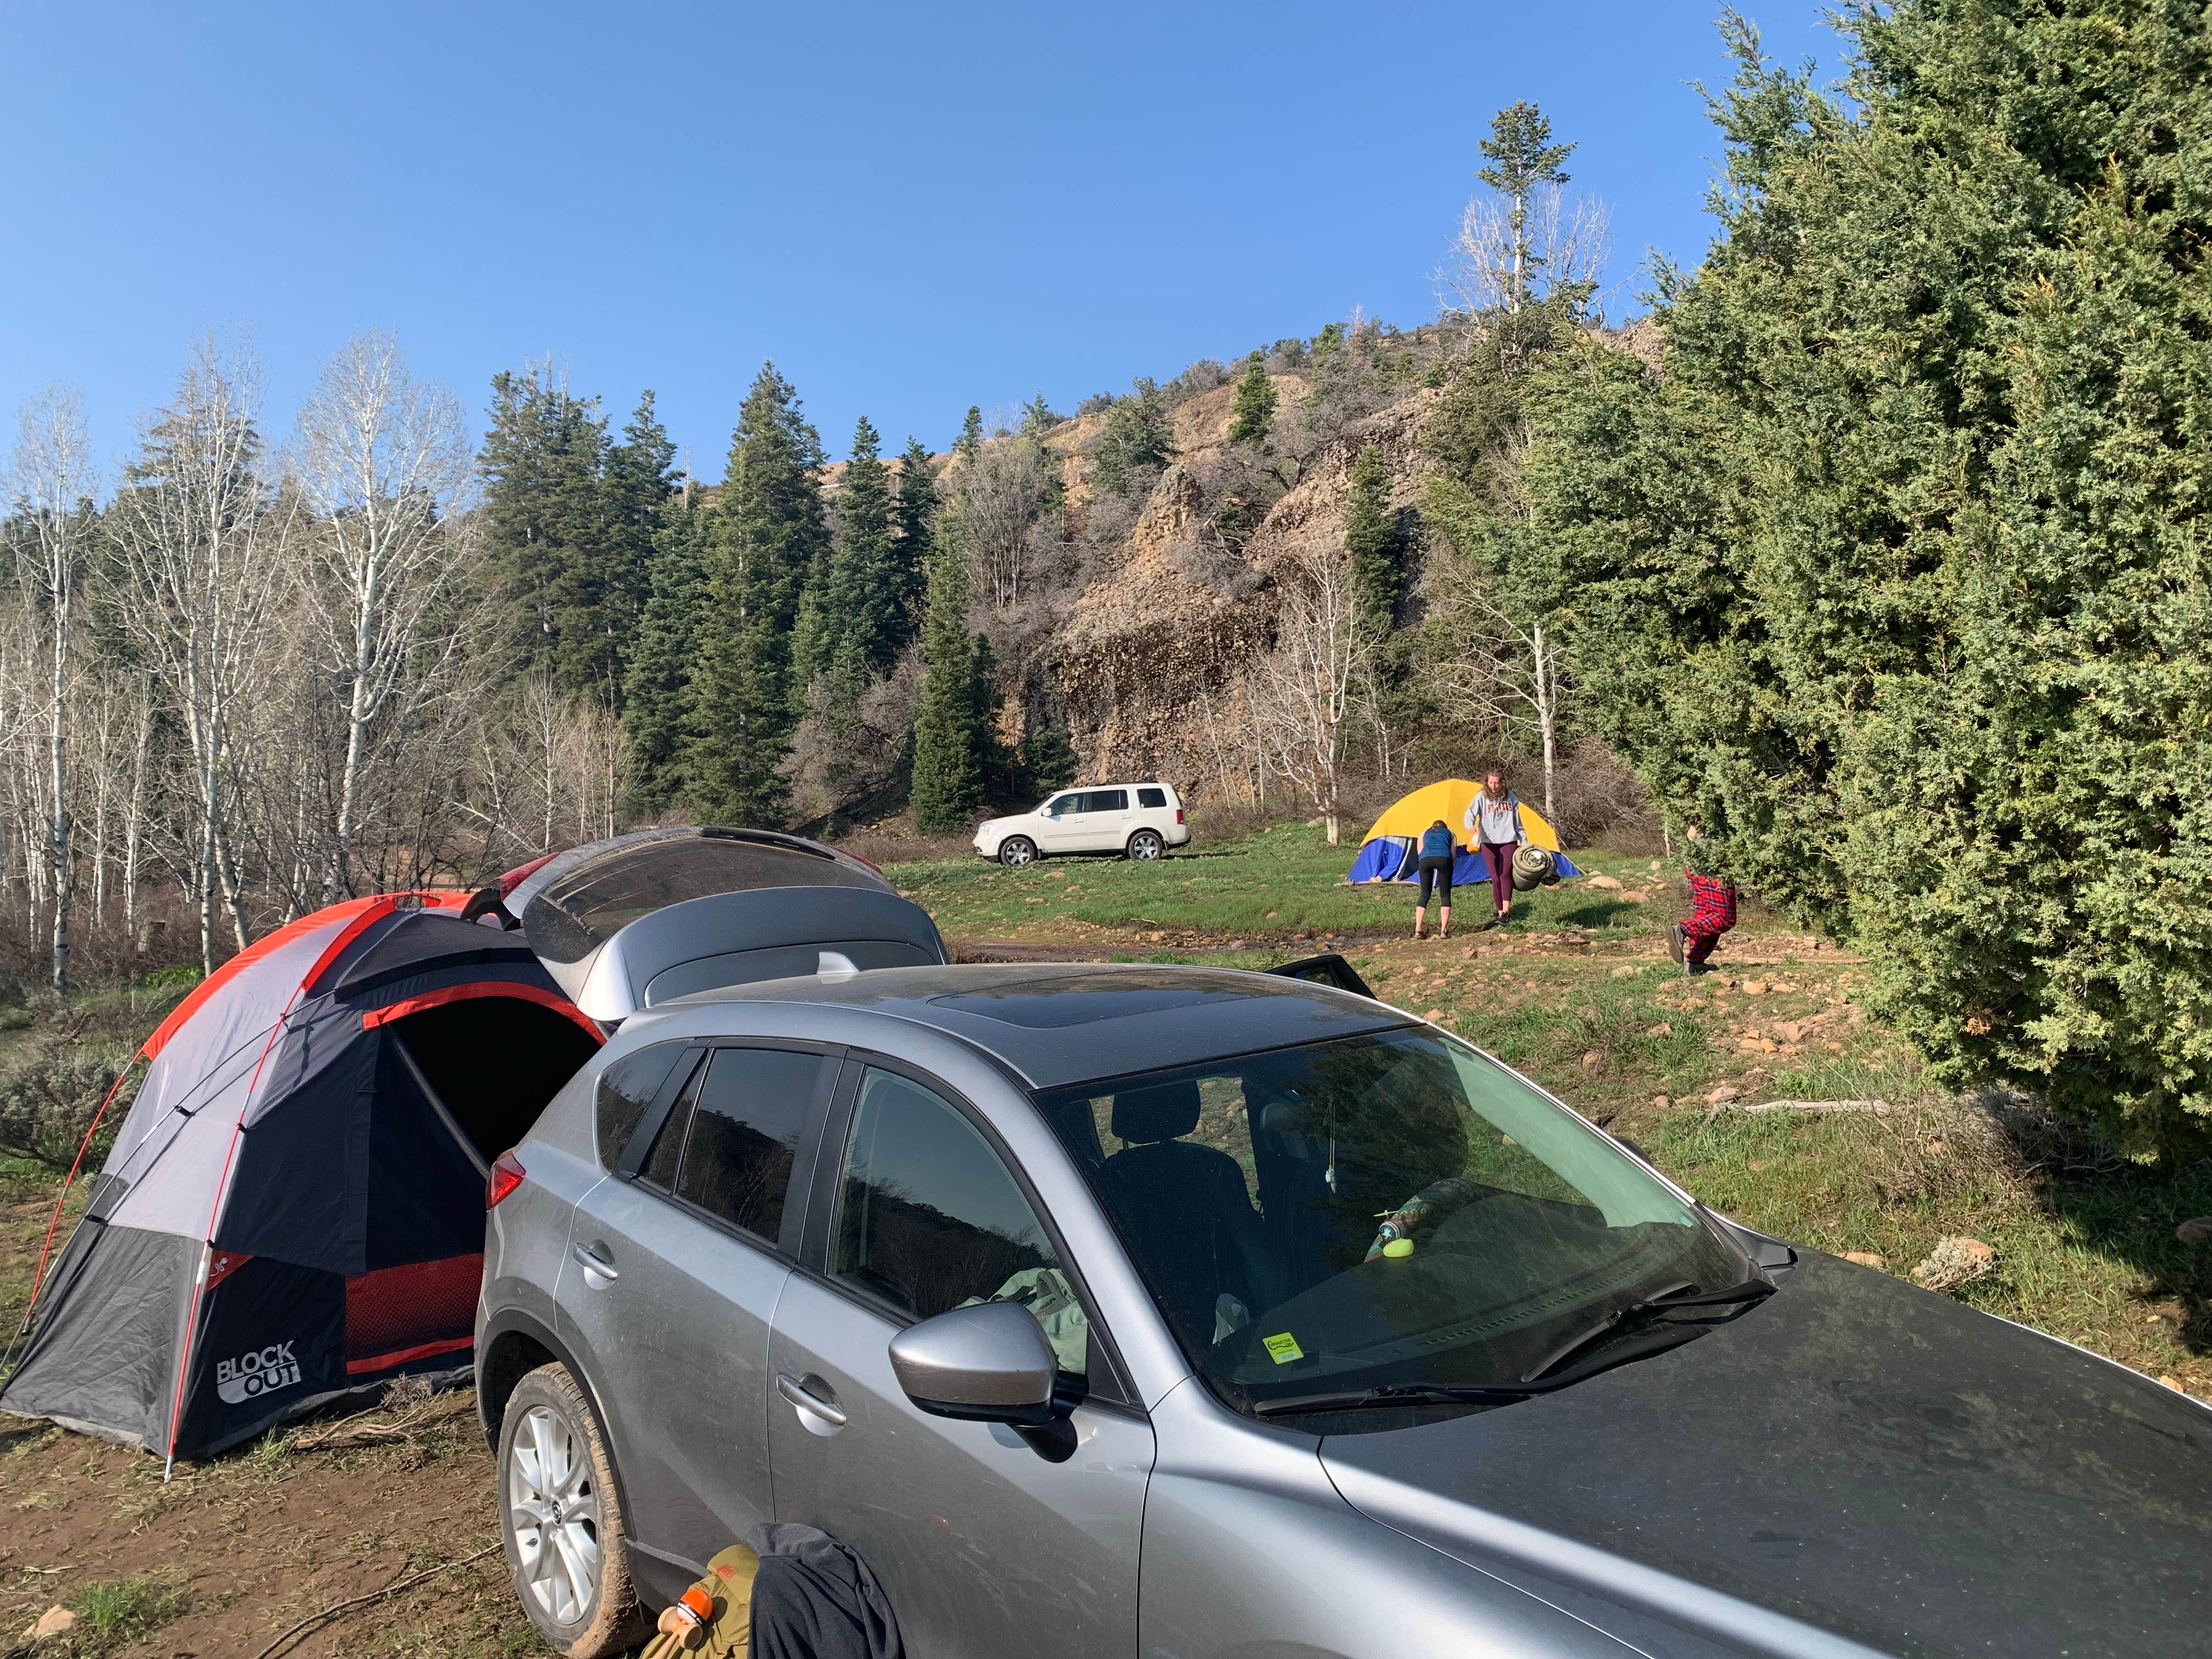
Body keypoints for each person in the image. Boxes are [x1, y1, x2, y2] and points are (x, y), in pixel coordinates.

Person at [1668, 823, 1738, 975]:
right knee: (1724, 919)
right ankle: (1681, 930)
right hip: (1712, 863)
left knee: (1707, 918)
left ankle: (1695, 963)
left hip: (1697, 861)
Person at [1462, 772, 1526, 926]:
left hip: (1509, 840)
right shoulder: (1481, 797)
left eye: (1496, 783)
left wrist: (1524, 840)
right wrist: (1471, 829)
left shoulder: (1511, 797)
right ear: (1486, 783)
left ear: (1502, 783)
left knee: (1505, 874)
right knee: (1495, 877)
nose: (1493, 786)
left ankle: (1506, 911)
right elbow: (1469, 815)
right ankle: (1500, 914)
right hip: (1488, 842)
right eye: (1491, 783)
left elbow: (1518, 820)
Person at [1412, 819, 1457, 940]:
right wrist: (1450, 868)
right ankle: (1444, 931)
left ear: (1433, 827)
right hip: (1444, 859)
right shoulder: (1451, 833)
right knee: (1445, 896)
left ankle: (1418, 930)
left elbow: (1420, 852)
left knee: (1424, 895)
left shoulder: (1424, 833)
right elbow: (1453, 855)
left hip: (1425, 860)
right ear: (1444, 827)